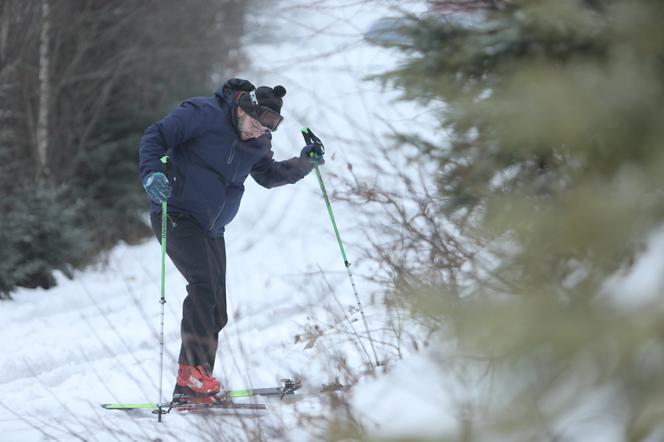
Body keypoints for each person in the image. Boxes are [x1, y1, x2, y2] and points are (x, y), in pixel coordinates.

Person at [138, 78, 324, 402]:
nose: (256, 133)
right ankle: (191, 373)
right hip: (175, 213)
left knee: (216, 310)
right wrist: (151, 173)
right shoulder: (203, 113)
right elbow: (156, 135)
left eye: (264, 131)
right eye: (254, 125)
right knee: (203, 286)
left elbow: (268, 175)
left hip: (212, 228)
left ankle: (192, 385)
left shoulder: (258, 140)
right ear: (241, 108)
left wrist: (305, 162)